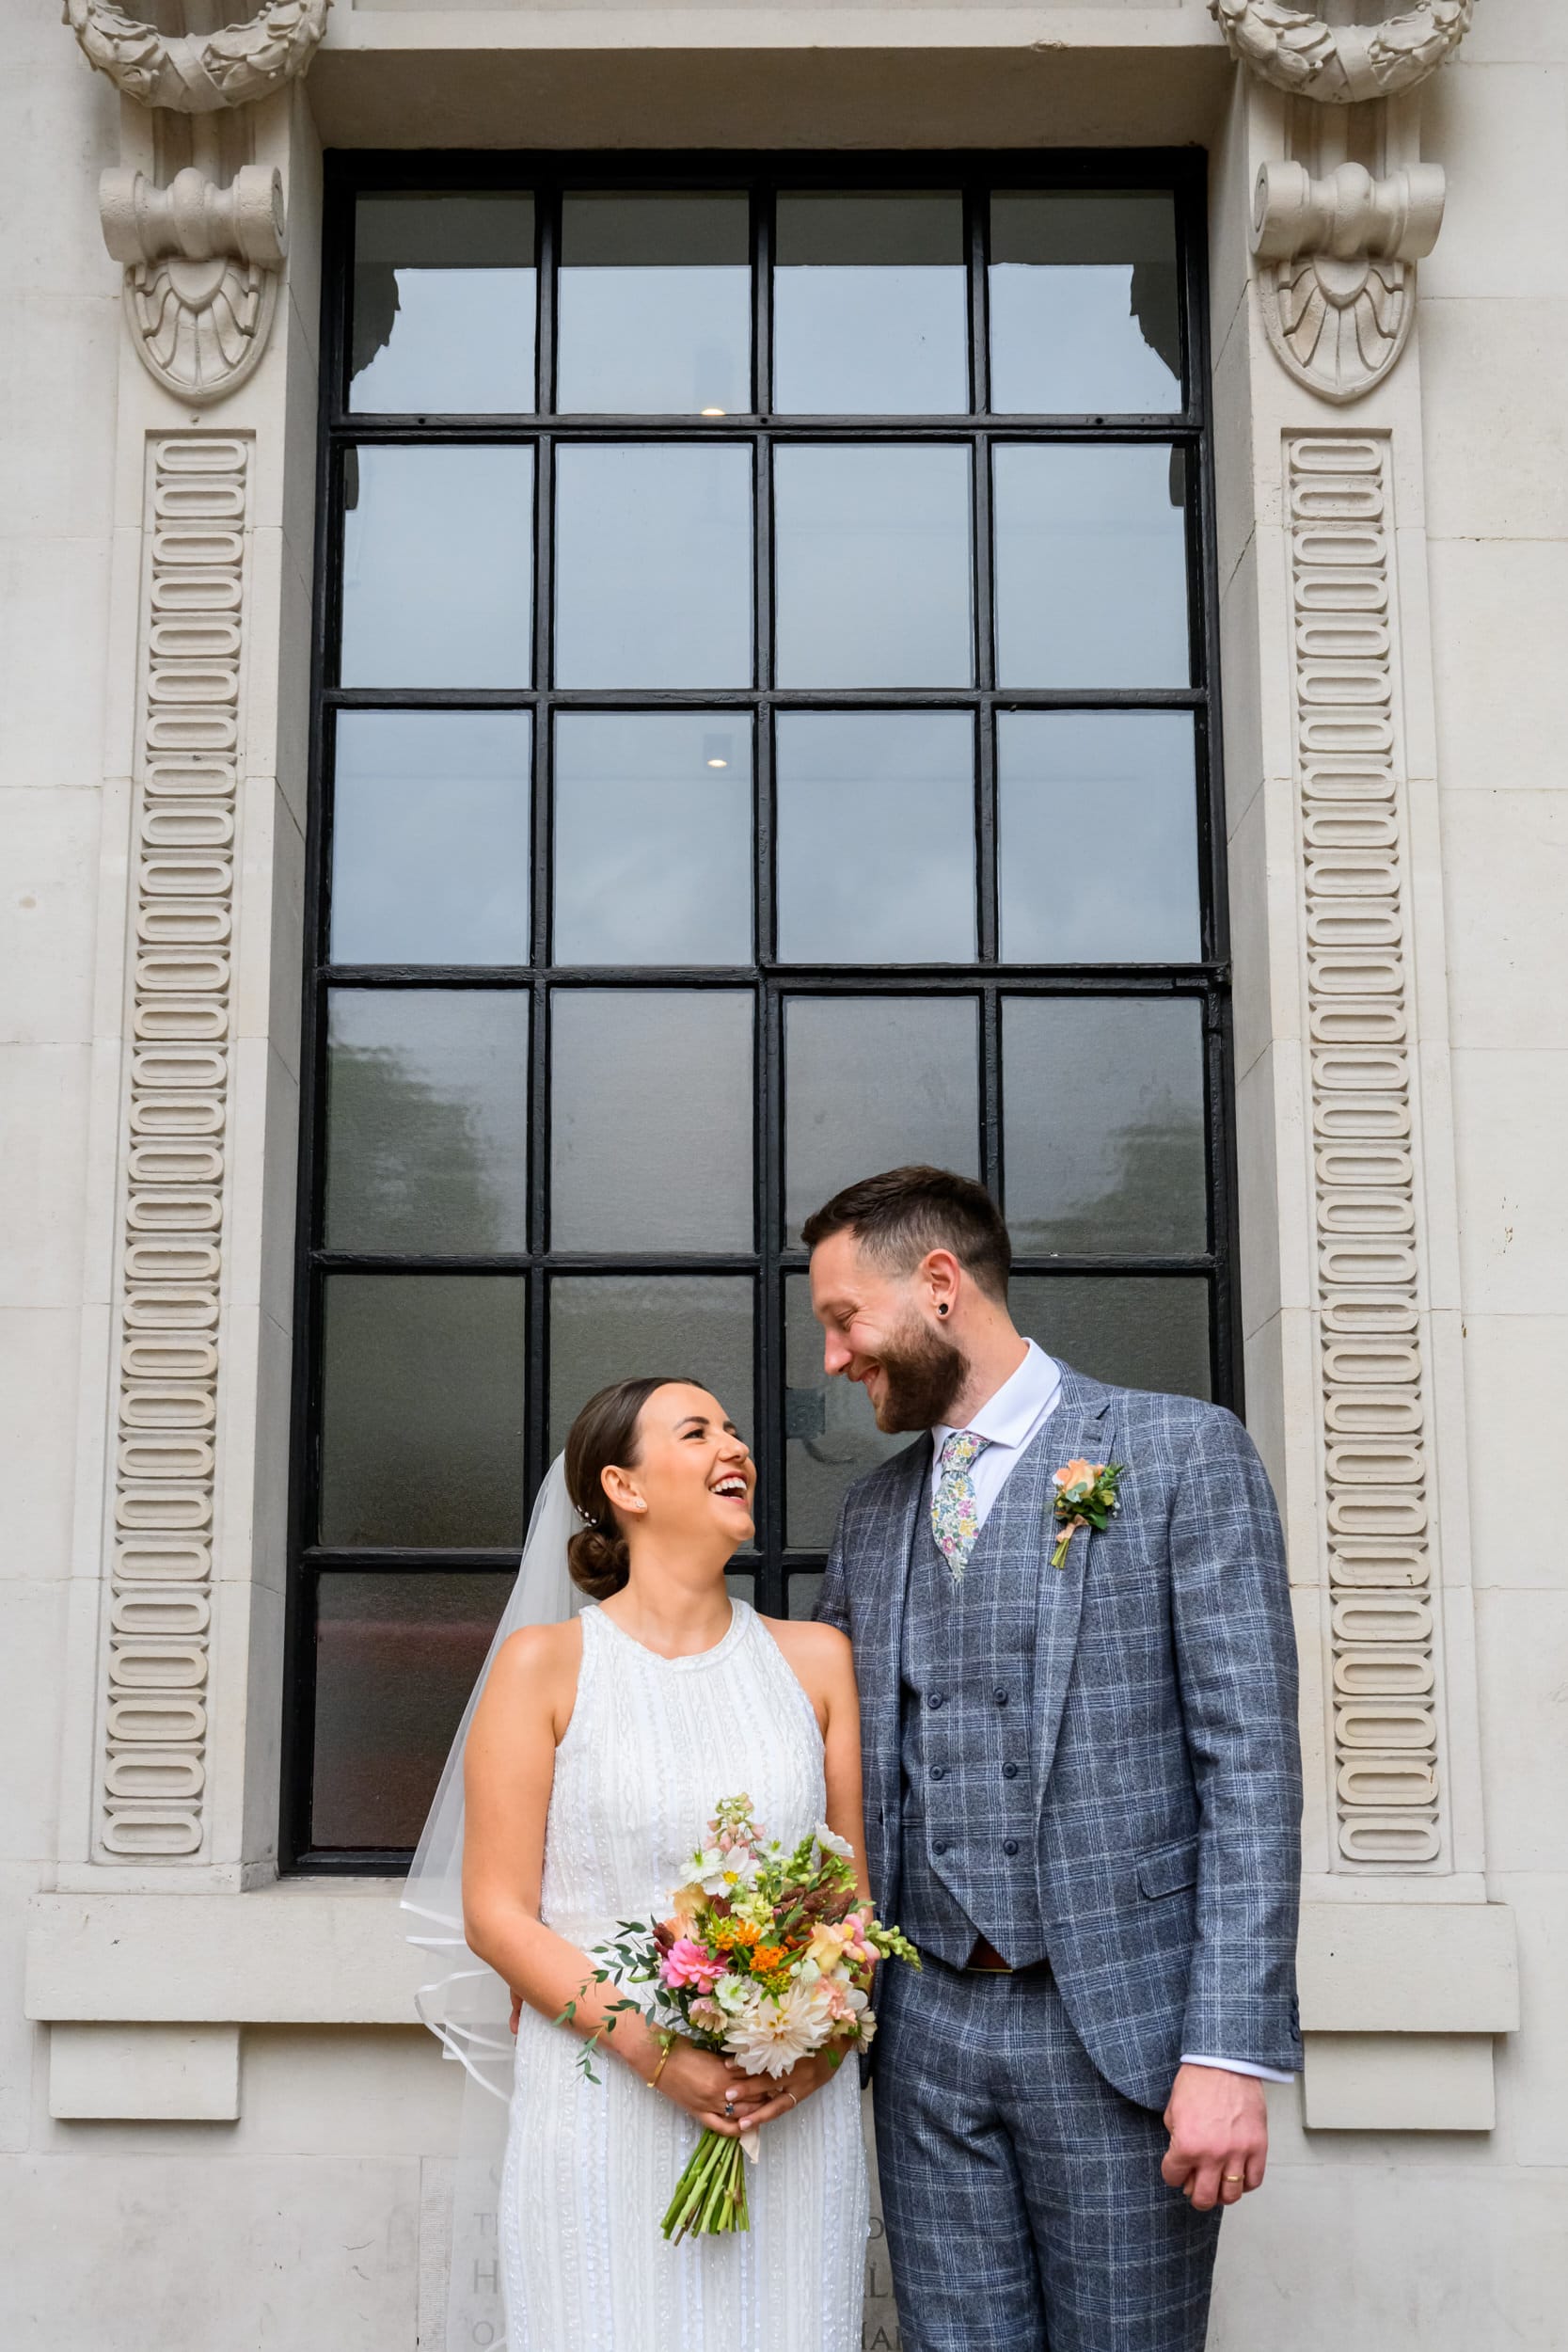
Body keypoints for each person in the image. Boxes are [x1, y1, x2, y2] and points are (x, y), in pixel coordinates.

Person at [807, 1166, 1303, 2352]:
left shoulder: (1179, 1452)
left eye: (841, 1319)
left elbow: (1249, 1768)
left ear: (938, 1285)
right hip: (922, 2031)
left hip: (1121, 2036)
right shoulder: (872, 1517)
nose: (832, 1358)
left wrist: (1226, 2048)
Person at [454, 1375, 870, 2351]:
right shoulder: (543, 1665)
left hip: (785, 2117)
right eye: (697, 1432)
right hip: (602, 2095)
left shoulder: (815, 1659)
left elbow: (850, 1901)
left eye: (733, 1429)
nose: (735, 1447)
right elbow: (497, 1914)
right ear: (624, 1487)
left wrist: (805, 2056)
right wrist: (658, 2055)